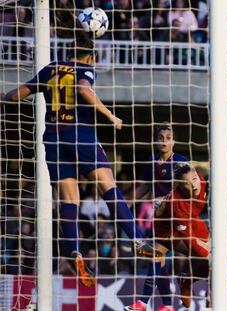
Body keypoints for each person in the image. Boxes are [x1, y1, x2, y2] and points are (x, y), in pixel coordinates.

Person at [0, 32, 160, 288]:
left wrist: (3, 96)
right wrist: (110, 115)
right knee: (109, 187)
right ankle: (137, 238)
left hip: (52, 138)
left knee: (69, 198)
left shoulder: (50, 68)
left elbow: (16, 95)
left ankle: (74, 251)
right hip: (80, 133)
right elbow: (83, 89)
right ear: (91, 56)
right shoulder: (84, 68)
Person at [126, 164, 210, 310]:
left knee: (212, 261)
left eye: (195, 179)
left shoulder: (201, 181)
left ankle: (185, 283)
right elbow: (189, 240)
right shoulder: (176, 203)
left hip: (193, 220)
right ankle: (144, 302)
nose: (194, 185)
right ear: (179, 185)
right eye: (187, 183)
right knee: (157, 257)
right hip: (167, 229)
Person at [126, 124, 187, 311]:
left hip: (176, 219)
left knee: (155, 256)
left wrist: (168, 199)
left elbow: (188, 189)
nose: (164, 140)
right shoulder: (152, 162)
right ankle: (168, 305)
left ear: (174, 142)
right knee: (158, 260)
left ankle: (143, 302)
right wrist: (126, 203)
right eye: (161, 137)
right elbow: (145, 187)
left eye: (168, 137)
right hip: (160, 220)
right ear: (156, 140)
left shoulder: (181, 163)